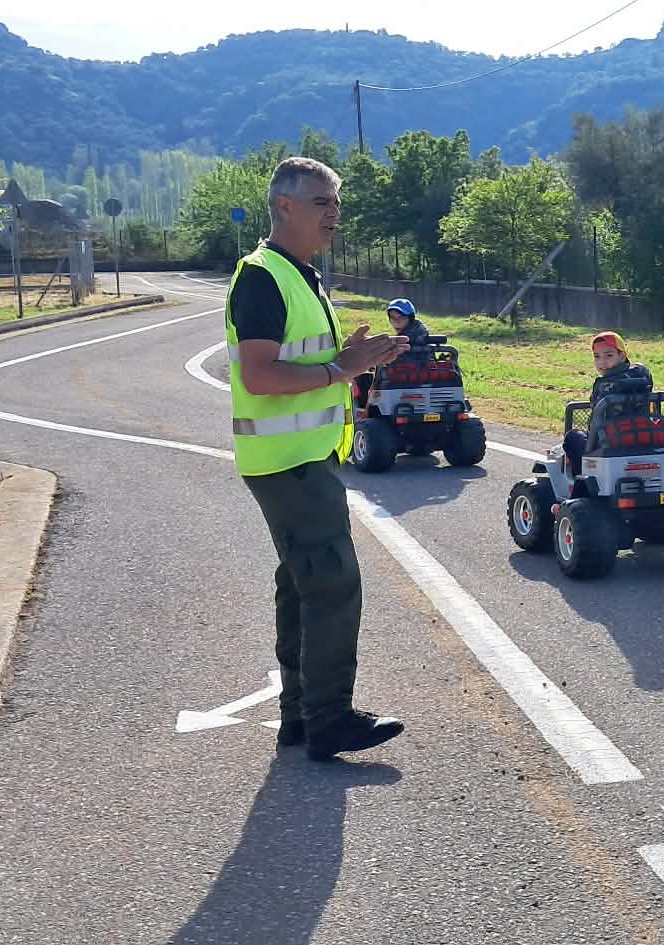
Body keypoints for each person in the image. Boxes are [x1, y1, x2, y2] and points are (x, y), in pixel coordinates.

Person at [227, 156, 411, 761]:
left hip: (302, 456)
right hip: (290, 461)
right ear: (285, 207)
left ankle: (301, 718)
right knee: (332, 580)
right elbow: (259, 377)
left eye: (336, 203)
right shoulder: (263, 277)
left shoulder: (299, 274)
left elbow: (300, 362)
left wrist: (352, 356)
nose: (334, 214)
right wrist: (341, 368)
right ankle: (329, 720)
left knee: (302, 582)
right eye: (321, 202)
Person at [562, 331, 652, 476]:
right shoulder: (642, 375)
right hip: (641, 436)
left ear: (622, 355)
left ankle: (582, 479)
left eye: (609, 355)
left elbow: (596, 424)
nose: (602, 362)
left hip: (609, 442)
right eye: (597, 357)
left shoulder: (605, 385)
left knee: (572, 437)